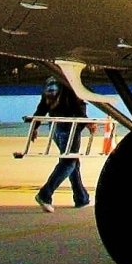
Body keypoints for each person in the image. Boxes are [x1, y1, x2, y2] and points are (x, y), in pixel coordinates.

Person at [30, 76, 91, 211]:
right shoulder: (69, 80)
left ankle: (81, 197)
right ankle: (45, 194)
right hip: (70, 126)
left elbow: (43, 106)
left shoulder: (50, 82)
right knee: (69, 162)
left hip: (56, 127)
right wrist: (87, 122)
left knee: (72, 161)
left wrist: (35, 126)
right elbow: (75, 104)